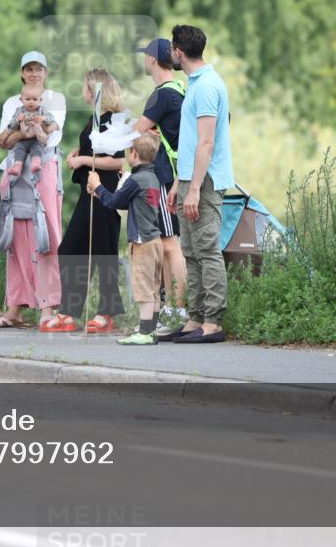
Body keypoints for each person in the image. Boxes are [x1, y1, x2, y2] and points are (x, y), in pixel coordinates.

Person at [163, 25, 234, 344]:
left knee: (206, 250)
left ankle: (213, 323)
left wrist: (194, 188)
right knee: (190, 251)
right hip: (190, 179)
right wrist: (180, 182)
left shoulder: (206, 86)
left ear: (179, 51)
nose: (170, 53)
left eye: (171, 48)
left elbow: (206, 143)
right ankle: (195, 318)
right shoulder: (194, 84)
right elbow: (191, 143)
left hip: (204, 182)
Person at [45, 69, 126, 334]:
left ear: (94, 89)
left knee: (104, 252)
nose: (82, 92)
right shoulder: (95, 119)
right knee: (70, 249)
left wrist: (83, 160)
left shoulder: (113, 120)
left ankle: (106, 312)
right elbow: (95, 149)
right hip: (86, 192)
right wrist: (79, 153)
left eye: (84, 87)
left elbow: (117, 160)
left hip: (104, 192)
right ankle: (69, 310)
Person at [0, 51, 66, 330]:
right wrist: (26, 132)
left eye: (39, 69)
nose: (34, 73)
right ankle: (16, 307)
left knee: (46, 233)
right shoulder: (13, 101)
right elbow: (3, 140)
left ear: (46, 72)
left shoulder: (55, 99)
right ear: (22, 73)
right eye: (29, 69)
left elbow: (49, 137)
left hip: (43, 167)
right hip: (14, 168)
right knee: (16, 237)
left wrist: (21, 133)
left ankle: (49, 306)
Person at [133, 38, 189, 335]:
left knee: (170, 244)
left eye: (146, 57)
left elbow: (137, 133)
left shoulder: (160, 94)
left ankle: (177, 310)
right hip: (179, 173)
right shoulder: (180, 89)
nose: (144, 61)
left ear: (153, 60)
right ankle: (171, 309)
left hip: (167, 176)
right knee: (171, 242)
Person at [87, 133, 164, 345]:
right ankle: (151, 330)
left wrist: (98, 184)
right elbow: (125, 202)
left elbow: (113, 202)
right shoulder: (152, 178)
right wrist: (100, 193)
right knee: (154, 288)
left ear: (134, 154)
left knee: (143, 289)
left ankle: (145, 333)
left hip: (142, 242)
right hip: (156, 241)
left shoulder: (136, 180)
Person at [5, 83, 59, 176]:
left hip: (36, 139)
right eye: (28, 99)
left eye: (35, 99)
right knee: (18, 149)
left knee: (38, 148)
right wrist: (18, 120)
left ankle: (36, 163)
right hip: (22, 140)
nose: (31, 102)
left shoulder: (42, 110)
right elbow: (11, 124)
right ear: (21, 100)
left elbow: (52, 119)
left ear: (40, 100)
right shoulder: (19, 111)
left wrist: (43, 118)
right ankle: (17, 167)